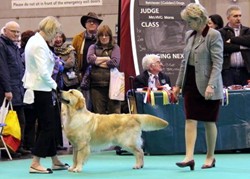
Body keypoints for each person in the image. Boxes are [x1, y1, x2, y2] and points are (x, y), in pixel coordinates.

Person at [173, 3, 224, 170]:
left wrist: (211, 85)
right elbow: (184, 62)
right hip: (190, 83)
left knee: (209, 121)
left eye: (189, 21)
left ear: (198, 19)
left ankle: (210, 157)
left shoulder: (214, 35)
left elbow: (218, 63)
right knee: (190, 119)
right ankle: (189, 157)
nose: (187, 25)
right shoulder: (189, 35)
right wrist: (178, 85)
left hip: (209, 85)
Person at [22, 16, 68, 174]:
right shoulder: (39, 45)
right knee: (47, 126)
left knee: (49, 124)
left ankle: (55, 160)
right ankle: (35, 163)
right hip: (41, 89)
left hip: (41, 88)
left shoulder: (36, 41)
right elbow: (43, 72)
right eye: (55, 32)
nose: (56, 36)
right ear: (50, 30)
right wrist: (56, 87)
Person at [0, 21, 31, 157]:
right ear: (5, 31)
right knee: (8, 122)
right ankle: (10, 148)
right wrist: (7, 89)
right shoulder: (2, 45)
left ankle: (19, 147)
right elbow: (3, 69)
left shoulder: (14, 46)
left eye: (18, 32)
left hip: (18, 89)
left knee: (20, 120)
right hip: (8, 91)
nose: (16, 34)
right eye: (13, 31)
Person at [87, 24, 121, 114]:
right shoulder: (92, 47)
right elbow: (90, 60)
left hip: (113, 86)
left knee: (115, 114)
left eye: (106, 35)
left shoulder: (115, 47)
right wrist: (106, 59)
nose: (104, 37)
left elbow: (114, 63)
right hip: (96, 87)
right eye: (101, 35)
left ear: (110, 36)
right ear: (98, 37)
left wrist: (97, 61)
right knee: (99, 115)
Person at [72, 12, 103, 110]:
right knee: (86, 106)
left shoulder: (103, 37)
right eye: (89, 21)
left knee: (99, 106)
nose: (92, 24)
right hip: (84, 76)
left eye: (94, 22)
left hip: (100, 76)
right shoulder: (78, 38)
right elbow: (74, 56)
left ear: (98, 25)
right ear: (85, 24)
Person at [219, 5, 250, 87]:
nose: (238, 18)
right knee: (230, 97)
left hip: (246, 71)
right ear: (228, 18)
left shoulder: (247, 30)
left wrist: (233, 40)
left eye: (240, 15)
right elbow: (223, 47)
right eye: (235, 16)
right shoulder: (221, 32)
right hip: (228, 71)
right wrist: (242, 46)